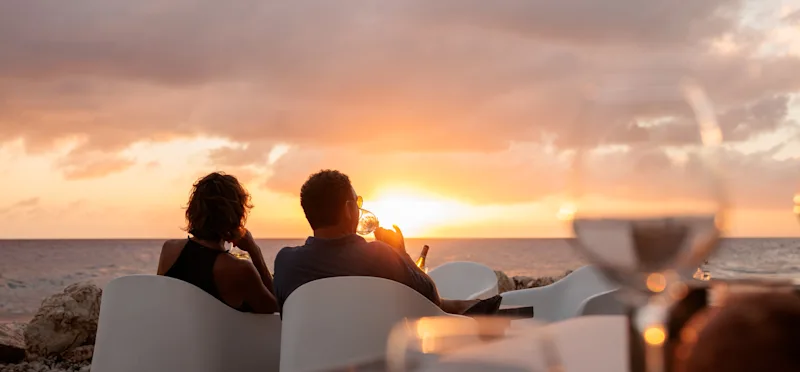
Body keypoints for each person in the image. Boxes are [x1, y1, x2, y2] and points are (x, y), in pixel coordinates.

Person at [273, 169, 479, 314]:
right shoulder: (380, 256)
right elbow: (431, 298)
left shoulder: (286, 262)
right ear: (348, 209)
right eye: (357, 202)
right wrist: (399, 251)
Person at [157, 172, 278, 314]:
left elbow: (163, 303)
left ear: (193, 210)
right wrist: (255, 252)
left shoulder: (169, 250)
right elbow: (276, 309)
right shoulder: (240, 270)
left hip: (172, 335)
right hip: (216, 337)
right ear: (236, 216)